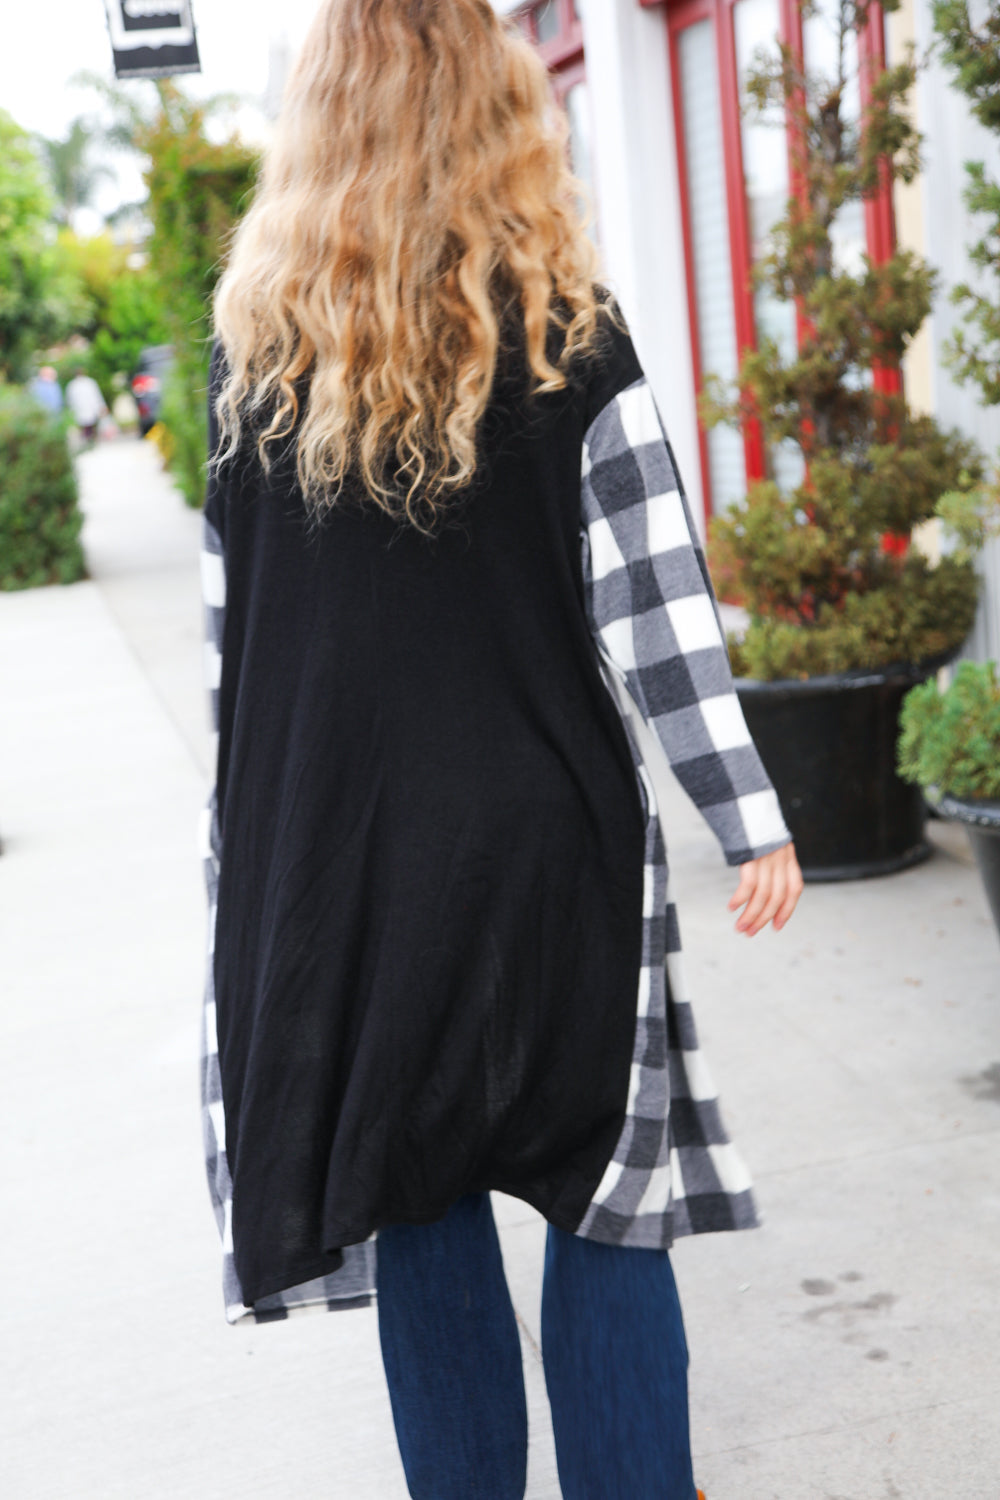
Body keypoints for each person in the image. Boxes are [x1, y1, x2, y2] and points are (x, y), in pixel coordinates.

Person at [198, 3, 803, 1497]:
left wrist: (244, 874)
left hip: (350, 866)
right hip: (549, 846)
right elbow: (658, 605)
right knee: (608, 1197)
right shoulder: (566, 328)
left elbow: (239, 661)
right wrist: (747, 813)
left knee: (419, 1200)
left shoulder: (256, 363)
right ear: (499, 108)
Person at [65, 367, 105, 444]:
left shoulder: (88, 383)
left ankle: (90, 439)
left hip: (88, 408)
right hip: (81, 409)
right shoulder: (73, 385)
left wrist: (100, 406)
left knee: (89, 425)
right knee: (85, 425)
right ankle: (87, 439)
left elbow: (96, 396)